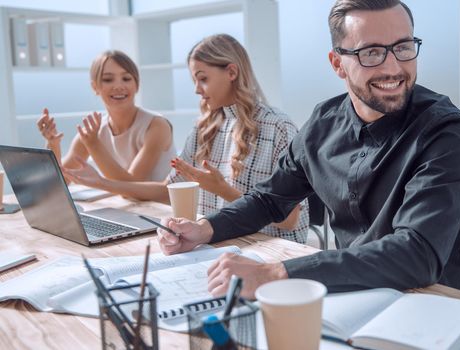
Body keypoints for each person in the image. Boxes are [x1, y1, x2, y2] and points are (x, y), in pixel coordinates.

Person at [155, 0, 460, 298]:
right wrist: (205, 229)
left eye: (403, 47)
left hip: (430, 301)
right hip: (348, 289)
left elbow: (417, 254)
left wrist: (277, 273)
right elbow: (270, 199)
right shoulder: (324, 121)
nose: (392, 67)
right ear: (338, 63)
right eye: (371, 52)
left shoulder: (447, 131)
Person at [65, 34, 309, 243]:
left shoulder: (278, 127)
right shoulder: (205, 129)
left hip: (269, 251)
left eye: (203, 78)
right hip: (218, 246)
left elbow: (289, 220)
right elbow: (166, 191)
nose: (196, 89)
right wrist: (101, 183)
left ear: (231, 72)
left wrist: (221, 189)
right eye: (194, 80)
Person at [37, 50, 176, 182]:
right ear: (95, 87)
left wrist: (93, 144)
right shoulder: (93, 131)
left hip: (160, 207)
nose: (118, 86)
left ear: (137, 85)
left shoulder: (157, 125)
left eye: (126, 78)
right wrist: (53, 145)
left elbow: (133, 185)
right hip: (129, 206)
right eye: (108, 79)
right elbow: (62, 180)